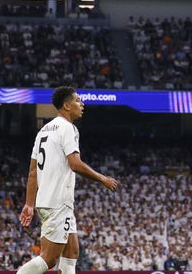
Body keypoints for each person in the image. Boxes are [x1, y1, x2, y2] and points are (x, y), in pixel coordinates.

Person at [15, 87, 118, 274]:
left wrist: (29, 204)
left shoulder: (43, 131)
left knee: (71, 252)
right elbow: (75, 164)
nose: (82, 104)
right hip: (57, 202)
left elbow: (32, 172)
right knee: (50, 258)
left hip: (49, 202)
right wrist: (102, 178)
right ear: (66, 105)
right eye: (78, 100)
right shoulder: (68, 128)